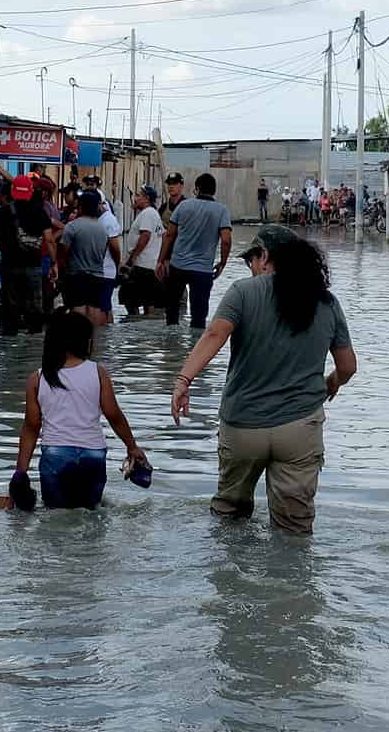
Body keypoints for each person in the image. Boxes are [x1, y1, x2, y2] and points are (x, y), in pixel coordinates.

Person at [170, 236, 357, 534]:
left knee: (229, 517)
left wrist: (183, 380)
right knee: (294, 531)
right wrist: (330, 383)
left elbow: (215, 335)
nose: (251, 267)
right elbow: (348, 366)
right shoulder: (325, 301)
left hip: (243, 425)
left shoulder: (243, 292)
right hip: (299, 429)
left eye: (251, 260)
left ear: (266, 256)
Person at [9, 309, 149, 510]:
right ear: (86, 341)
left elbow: (31, 428)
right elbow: (114, 415)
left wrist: (20, 474)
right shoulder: (98, 372)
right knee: (91, 513)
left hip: (56, 456)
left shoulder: (37, 379)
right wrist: (132, 447)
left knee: (55, 516)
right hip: (93, 456)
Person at [156, 172, 232, 329]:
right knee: (199, 317)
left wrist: (160, 261)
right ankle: (195, 349)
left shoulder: (183, 206)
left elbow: (169, 235)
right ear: (214, 190)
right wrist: (223, 263)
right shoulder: (221, 211)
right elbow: (226, 240)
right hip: (203, 270)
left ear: (197, 189)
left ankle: (171, 349)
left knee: (172, 312)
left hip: (178, 266)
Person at [0, 178, 55, 335]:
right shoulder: (40, 212)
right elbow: (49, 240)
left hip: (9, 267)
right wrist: (54, 263)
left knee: (10, 308)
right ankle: (31, 350)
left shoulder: (2, 212)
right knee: (35, 310)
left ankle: (9, 345)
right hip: (33, 267)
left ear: (12, 192)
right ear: (30, 192)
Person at [58, 190, 120, 327]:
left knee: (78, 308)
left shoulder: (72, 227)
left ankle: (78, 340)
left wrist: (60, 272)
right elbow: (104, 253)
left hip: (76, 276)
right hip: (98, 276)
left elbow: (63, 253)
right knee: (95, 308)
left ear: (80, 207)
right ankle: (95, 340)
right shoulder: (103, 229)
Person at [120, 184, 164, 316]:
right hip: (148, 265)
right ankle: (144, 328)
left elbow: (145, 235)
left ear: (146, 199)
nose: (135, 198)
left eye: (138, 195)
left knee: (130, 299)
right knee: (147, 300)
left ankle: (136, 326)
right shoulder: (153, 214)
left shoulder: (148, 213)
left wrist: (132, 259)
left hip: (141, 265)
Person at [98, 196, 124, 324]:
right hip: (104, 271)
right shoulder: (103, 219)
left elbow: (115, 247)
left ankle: (103, 336)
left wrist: (118, 264)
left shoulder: (108, 220)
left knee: (103, 307)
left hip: (105, 271)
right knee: (105, 306)